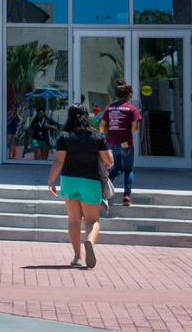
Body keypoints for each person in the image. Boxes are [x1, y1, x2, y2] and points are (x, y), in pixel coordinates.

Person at [48, 104, 114, 268]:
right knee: (92, 220)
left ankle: (77, 257)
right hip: (90, 181)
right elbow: (108, 161)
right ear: (87, 117)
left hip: (69, 179)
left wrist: (51, 181)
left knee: (74, 220)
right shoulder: (97, 137)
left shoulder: (64, 136)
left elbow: (59, 160)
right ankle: (90, 241)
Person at [100, 81, 142, 206]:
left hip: (111, 143)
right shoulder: (132, 109)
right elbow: (135, 128)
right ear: (129, 95)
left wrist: (104, 139)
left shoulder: (109, 108)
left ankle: (105, 185)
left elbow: (102, 126)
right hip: (126, 144)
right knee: (128, 169)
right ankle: (126, 196)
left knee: (117, 168)